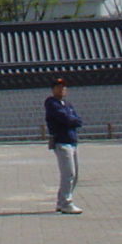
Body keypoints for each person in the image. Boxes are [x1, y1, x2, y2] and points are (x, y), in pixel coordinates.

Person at [44, 78, 85, 214]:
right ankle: (66, 203)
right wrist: (71, 119)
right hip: (61, 141)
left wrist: (72, 119)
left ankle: (62, 202)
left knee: (75, 175)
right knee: (68, 173)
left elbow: (77, 120)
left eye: (63, 87)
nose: (61, 90)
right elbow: (65, 118)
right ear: (53, 89)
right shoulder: (51, 103)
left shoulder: (67, 104)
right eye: (58, 87)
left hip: (72, 141)